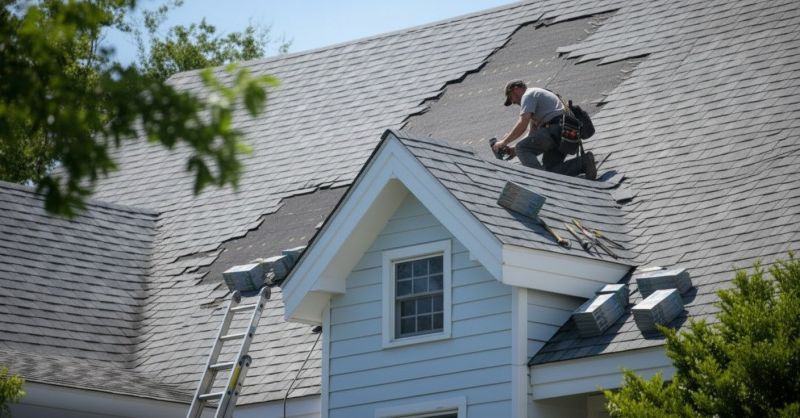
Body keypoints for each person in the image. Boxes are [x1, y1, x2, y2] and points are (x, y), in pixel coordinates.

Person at [492, 80, 597, 180]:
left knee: (522, 148)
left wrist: (503, 142)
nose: (513, 102)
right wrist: (513, 150)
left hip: (555, 129)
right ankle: (584, 162)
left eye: (511, 97)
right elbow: (532, 134)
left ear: (516, 89)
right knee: (549, 171)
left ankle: (540, 181)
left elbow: (522, 124)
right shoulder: (539, 97)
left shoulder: (528, 95)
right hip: (567, 133)